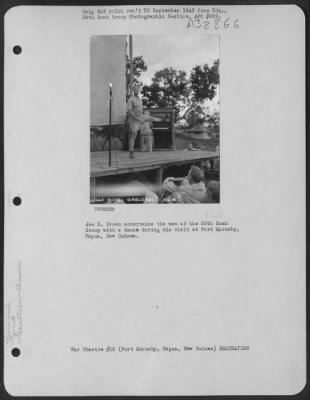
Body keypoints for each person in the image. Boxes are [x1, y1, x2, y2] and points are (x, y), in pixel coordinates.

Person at [126, 82, 143, 159]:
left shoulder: (140, 99)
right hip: (133, 119)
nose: (137, 90)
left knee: (136, 135)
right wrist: (136, 118)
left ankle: (135, 149)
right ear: (133, 90)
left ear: (139, 90)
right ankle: (131, 152)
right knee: (134, 134)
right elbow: (129, 111)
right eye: (135, 89)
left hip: (139, 119)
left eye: (138, 89)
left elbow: (140, 110)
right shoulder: (131, 99)